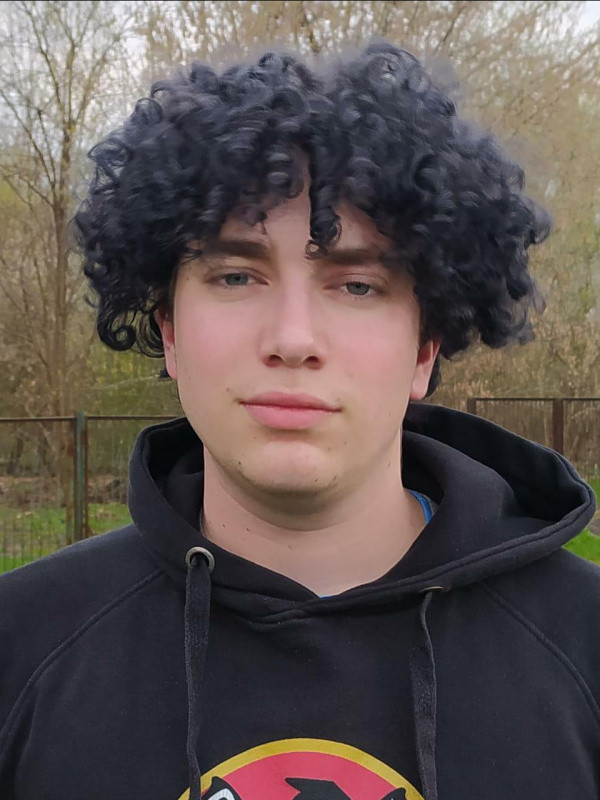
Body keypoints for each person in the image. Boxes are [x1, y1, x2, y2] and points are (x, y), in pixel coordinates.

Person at [0, 40, 598, 800]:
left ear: (425, 348)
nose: (292, 338)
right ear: (170, 331)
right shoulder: (20, 645)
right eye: (235, 275)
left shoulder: (586, 644)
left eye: (356, 285)